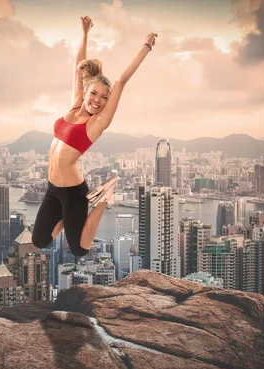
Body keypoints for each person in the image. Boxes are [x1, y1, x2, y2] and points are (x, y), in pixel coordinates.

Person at [31, 15, 157, 257]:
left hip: (73, 191)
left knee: (79, 248)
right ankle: (71, 218)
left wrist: (146, 47)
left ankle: (102, 199)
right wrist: (85, 33)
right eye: (94, 94)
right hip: (52, 189)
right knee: (40, 241)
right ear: (86, 90)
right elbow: (79, 66)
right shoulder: (74, 105)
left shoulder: (97, 123)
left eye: (104, 97)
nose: (98, 100)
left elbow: (121, 81)